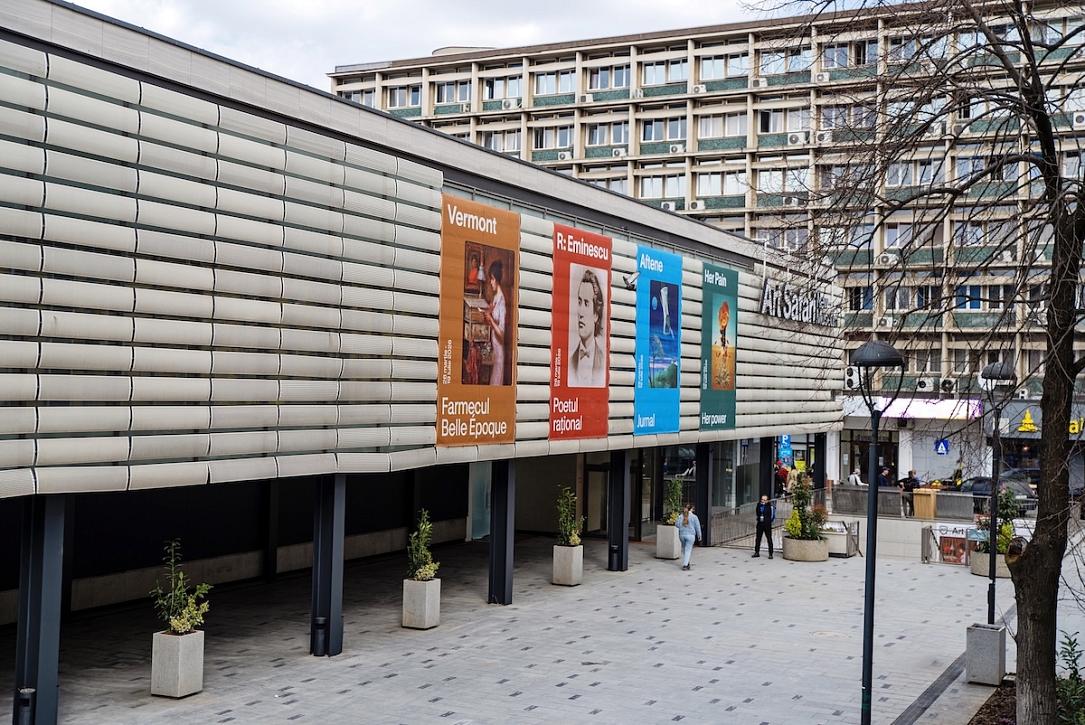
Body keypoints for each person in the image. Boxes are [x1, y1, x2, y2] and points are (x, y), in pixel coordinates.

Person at [568, 268, 606, 387]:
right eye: (579, 302)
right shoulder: (570, 362)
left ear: (596, 315)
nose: (580, 312)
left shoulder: (603, 361)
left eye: (586, 303)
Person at [483, 261, 507, 386]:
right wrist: (488, 313)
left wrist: (491, 319)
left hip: (499, 351)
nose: (490, 282)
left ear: (497, 279)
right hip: (494, 350)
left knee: (496, 383)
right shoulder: (496, 297)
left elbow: (502, 335)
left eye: (492, 279)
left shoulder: (502, 301)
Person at [675, 503, 701, 570]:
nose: (693, 510)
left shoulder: (680, 516)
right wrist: (699, 536)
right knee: (688, 550)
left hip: (682, 535)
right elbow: (697, 527)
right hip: (691, 535)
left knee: (684, 549)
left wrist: (682, 526)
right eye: (693, 509)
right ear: (691, 509)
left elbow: (676, 524)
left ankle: (687, 562)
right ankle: (685, 565)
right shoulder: (694, 517)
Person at [752, 495, 775, 559]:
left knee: (769, 539)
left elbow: (772, 516)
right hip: (760, 524)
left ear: (767, 500)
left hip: (767, 525)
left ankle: (770, 554)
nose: (763, 501)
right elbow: (757, 513)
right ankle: (757, 552)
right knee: (758, 539)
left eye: (764, 500)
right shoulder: (758, 505)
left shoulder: (770, 506)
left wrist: (768, 521)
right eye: (762, 499)